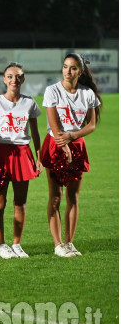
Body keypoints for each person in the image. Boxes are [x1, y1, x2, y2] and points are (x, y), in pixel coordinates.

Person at [41, 53, 102, 257]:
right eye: (65, 67)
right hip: (55, 144)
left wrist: (72, 137)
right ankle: (58, 244)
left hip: (76, 145)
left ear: (81, 71)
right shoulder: (52, 90)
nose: (68, 71)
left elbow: (91, 125)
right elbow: (53, 123)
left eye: (73, 68)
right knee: (56, 196)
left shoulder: (88, 93)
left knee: (73, 197)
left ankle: (69, 243)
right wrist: (63, 143)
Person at [0, 62, 42, 259]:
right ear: (4, 79)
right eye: (10, 76)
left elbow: (35, 132)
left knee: (20, 202)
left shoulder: (30, 103)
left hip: (23, 153)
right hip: (0, 153)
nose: (14, 80)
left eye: (18, 76)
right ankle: (1, 245)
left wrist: (39, 157)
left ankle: (17, 244)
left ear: (23, 79)